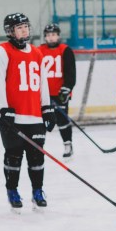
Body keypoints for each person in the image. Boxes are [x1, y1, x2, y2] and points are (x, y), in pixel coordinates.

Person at [0, 12, 54, 212]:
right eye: (19, 27)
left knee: (37, 156)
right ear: (10, 31)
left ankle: (37, 191)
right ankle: (12, 191)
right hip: (12, 116)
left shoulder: (37, 53)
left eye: (26, 26)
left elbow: (43, 83)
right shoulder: (0, 52)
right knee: (13, 156)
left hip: (34, 114)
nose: (24, 30)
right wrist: (3, 109)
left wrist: (47, 108)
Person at [38, 23, 77, 158]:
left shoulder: (65, 50)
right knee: (40, 120)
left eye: (53, 35)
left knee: (62, 120)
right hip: (43, 94)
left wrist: (66, 89)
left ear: (58, 36)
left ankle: (67, 144)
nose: (51, 37)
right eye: (48, 35)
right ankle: (38, 146)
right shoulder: (39, 50)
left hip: (60, 93)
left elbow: (70, 72)